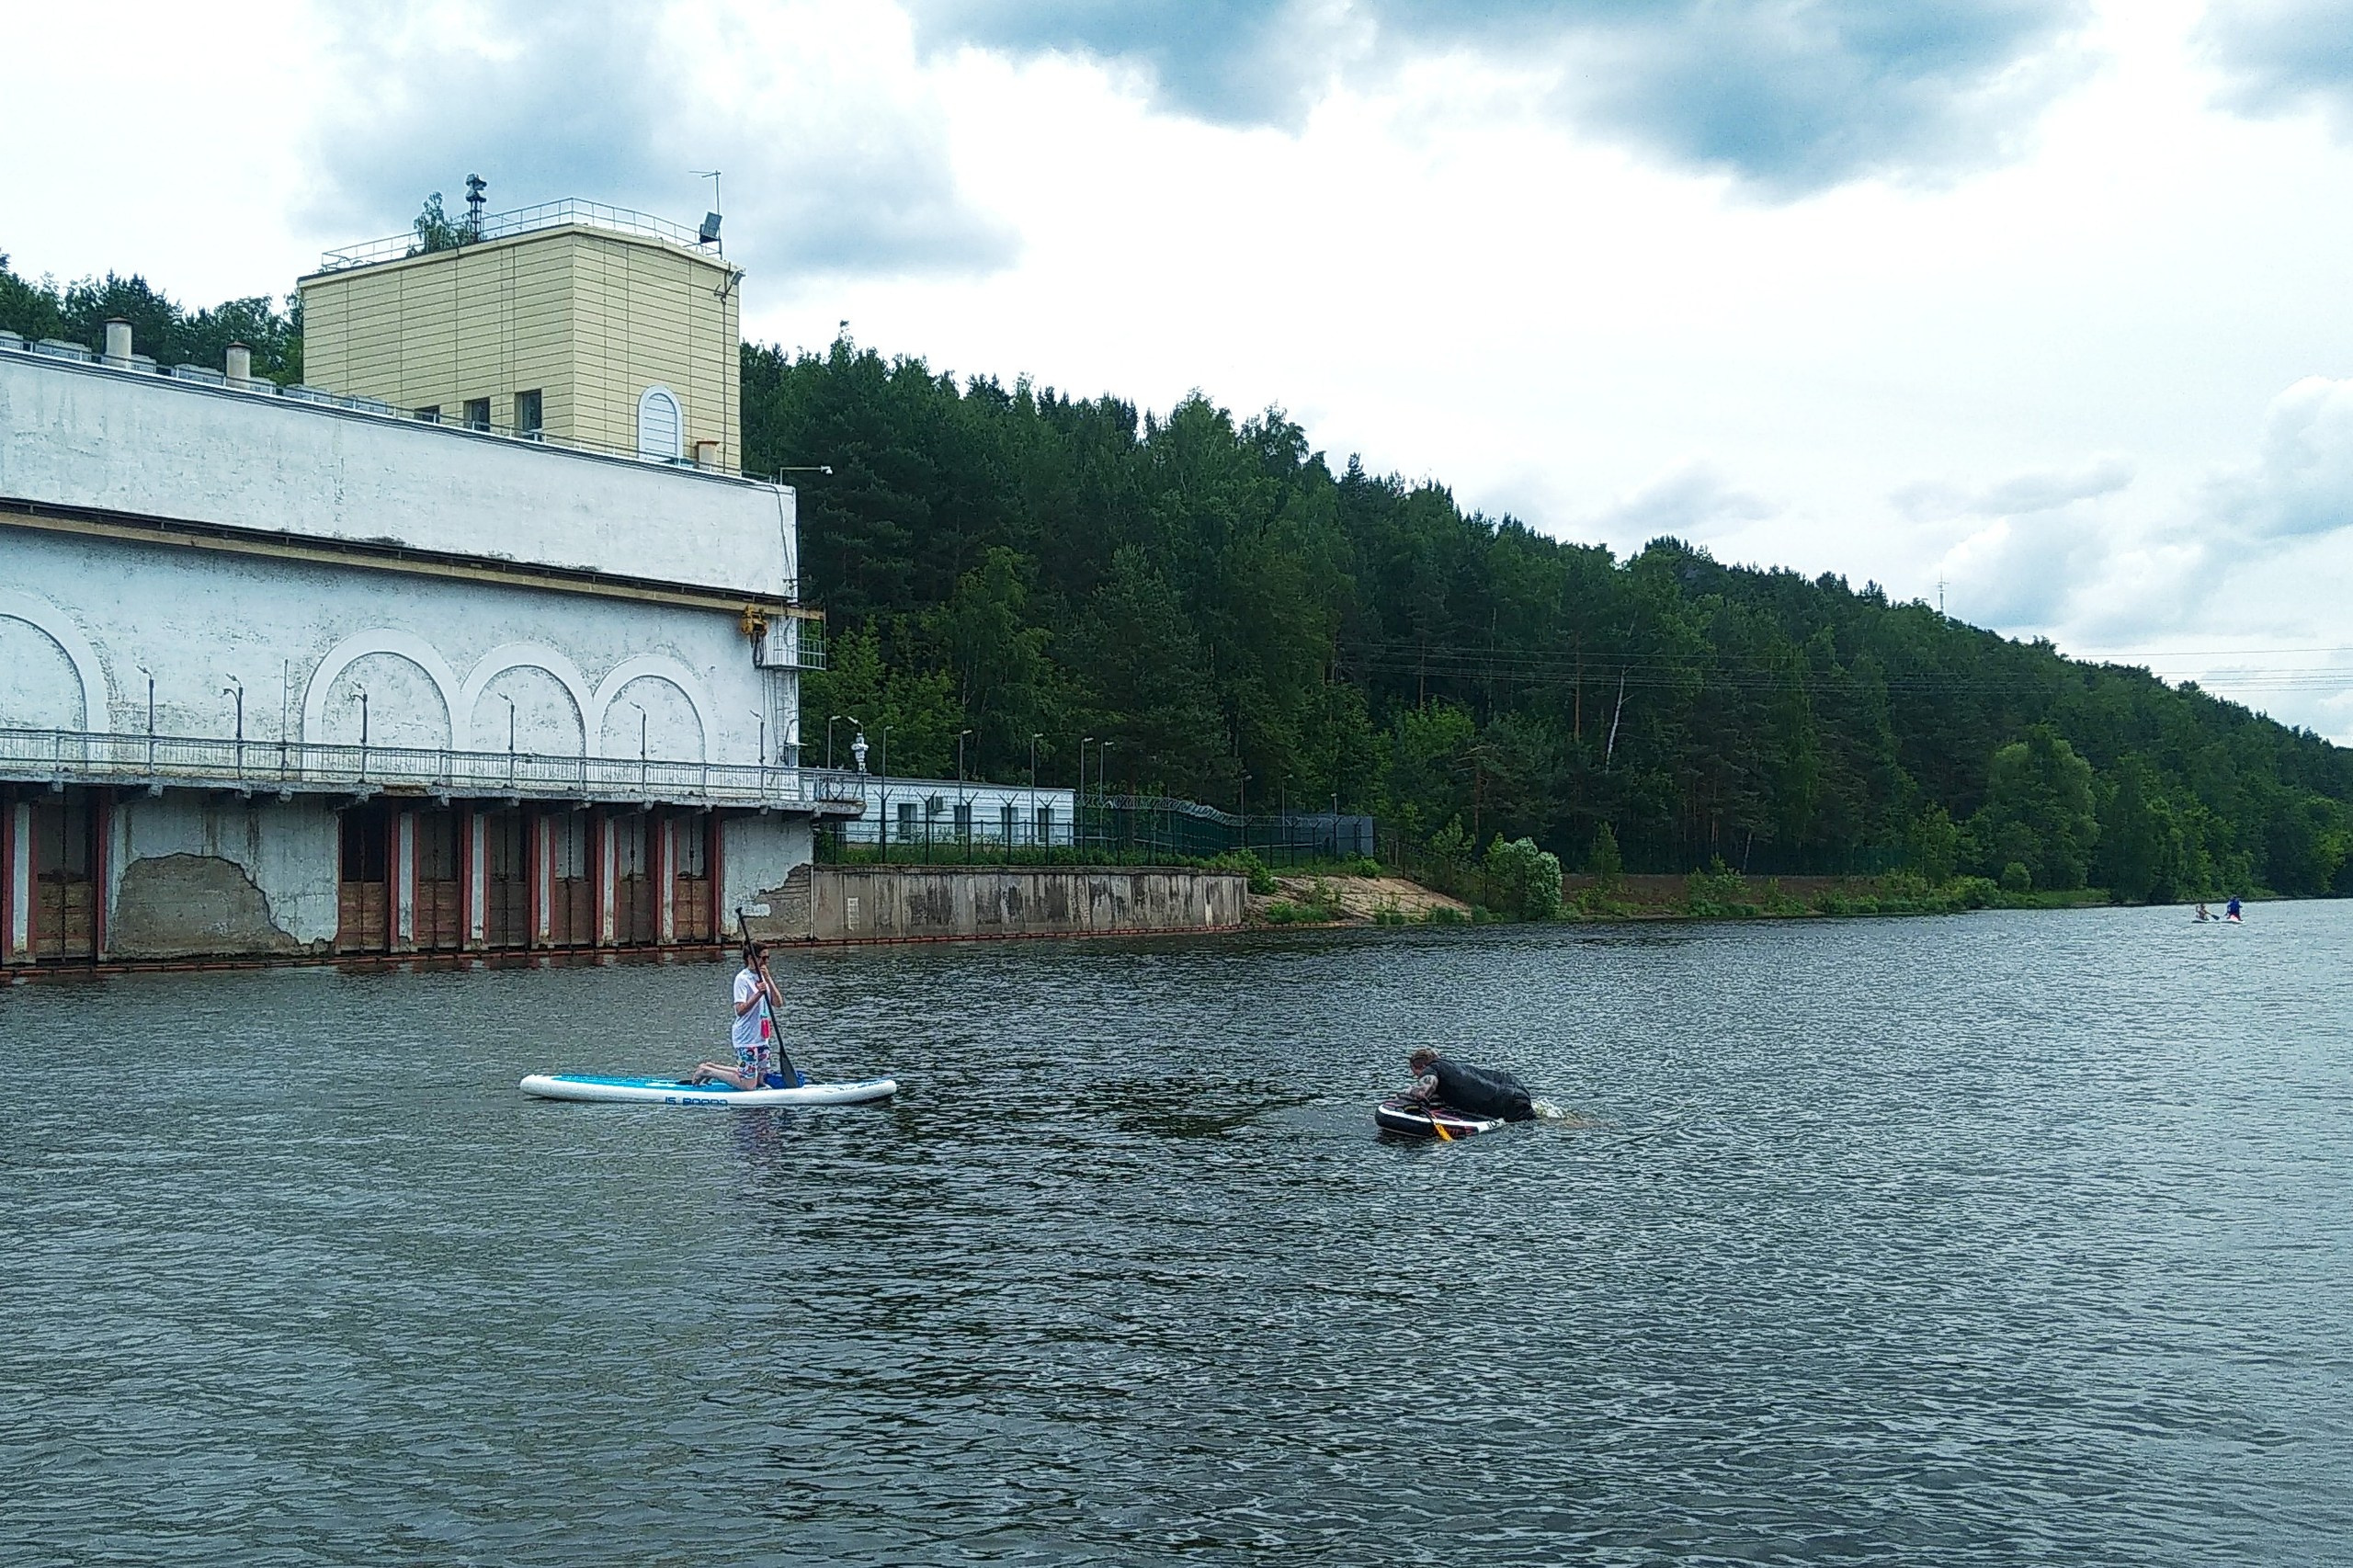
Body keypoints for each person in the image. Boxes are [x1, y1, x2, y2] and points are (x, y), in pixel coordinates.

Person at [688, 940, 786, 1088]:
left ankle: (711, 1066)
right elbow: (740, 1010)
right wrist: (759, 994)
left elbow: (778, 1003)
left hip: (762, 1037)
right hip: (747, 1037)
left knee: (761, 1081)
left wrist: (769, 980)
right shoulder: (742, 979)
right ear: (751, 958)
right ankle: (708, 1071)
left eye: (768, 958)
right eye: (763, 958)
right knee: (748, 1085)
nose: (767, 962)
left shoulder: (763, 978)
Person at [1404, 1048, 1536, 1122]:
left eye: (1416, 1074)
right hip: (1513, 1085)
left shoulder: (1430, 1069)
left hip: (1506, 1104)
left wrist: (1410, 1091)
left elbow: (1423, 1093)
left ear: (1422, 1066)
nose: (1417, 1078)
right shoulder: (1450, 1065)